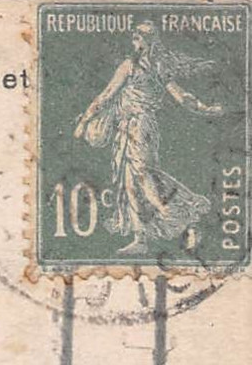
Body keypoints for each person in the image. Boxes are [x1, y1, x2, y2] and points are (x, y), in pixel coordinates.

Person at [74, 21, 223, 255]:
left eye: (138, 37)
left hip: (140, 126)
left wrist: (84, 122)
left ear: (145, 41)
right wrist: (205, 109)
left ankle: (185, 218)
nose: (135, 41)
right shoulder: (148, 66)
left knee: (144, 177)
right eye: (135, 37)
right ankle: (140, 237)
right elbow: (182, 97)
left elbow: (106, 95)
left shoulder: (137, 66)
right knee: (130, 182)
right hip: (128, 127)